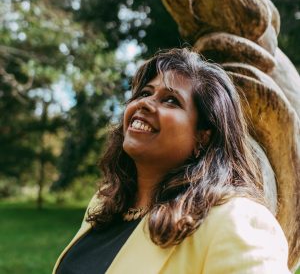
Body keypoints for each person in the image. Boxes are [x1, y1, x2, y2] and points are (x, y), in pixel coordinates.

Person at [53, 48, 291, 274]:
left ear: (203, 136)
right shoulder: (105, 203)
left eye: (170, 100)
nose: (143, 103)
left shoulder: (237, 221)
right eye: (145, 93)